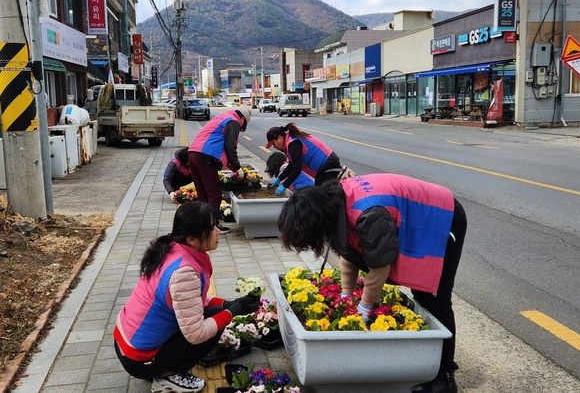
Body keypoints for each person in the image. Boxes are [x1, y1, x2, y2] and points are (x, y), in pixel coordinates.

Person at [277, 174, 467, 393]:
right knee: (422, 294)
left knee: (435, 299)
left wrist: (364, 308)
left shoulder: (368, 215)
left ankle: (445, 377)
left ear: (316, 223)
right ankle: (431, 365)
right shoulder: (335, 202)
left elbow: (380, 265)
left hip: (442, 216)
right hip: (420, 215)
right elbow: (350, 254)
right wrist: (346, 296)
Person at [113, 202, 260, 393]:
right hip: (140, 359)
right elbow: (196, 334)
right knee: (214, 323)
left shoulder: (172, 247)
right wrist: (232, 312)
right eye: (212, 228)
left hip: (127, 345)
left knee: (215, 313)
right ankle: (168, 375)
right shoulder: (184, 272)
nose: (218, 232)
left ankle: (165, 365)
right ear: (192, 239)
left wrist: (228, 304)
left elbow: (193, 301)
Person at [188, 108, 251, 234]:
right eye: (243, 126)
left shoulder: (223, 117)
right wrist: (238, 167)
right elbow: (230, 147)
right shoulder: (234, 122)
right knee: (215, 195)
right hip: (205, 156)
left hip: (193, 153)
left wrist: (233, 168)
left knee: (203, 195)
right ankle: (212, 227)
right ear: (243, 119)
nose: (240, 128)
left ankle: (203, 226)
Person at [265, 123, 342, 194]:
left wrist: (284, 185)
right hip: (325, 167)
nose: (274, 147)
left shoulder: (293, 144)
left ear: (279, 138)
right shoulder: (289, 143)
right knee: (321, 195)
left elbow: (297, 168)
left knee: (322, 195)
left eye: (273, 144)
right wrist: (279, 179)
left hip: (328, 165)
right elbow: (291, 165)